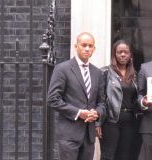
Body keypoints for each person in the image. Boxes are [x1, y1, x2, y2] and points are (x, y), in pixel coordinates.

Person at [47, 32, 106, 160]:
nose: (87, 49)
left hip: (89, 135)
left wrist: (97, 113)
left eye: (90, 46)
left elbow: (102, 102)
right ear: (76, 46)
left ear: (94, 49)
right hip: (69, 134)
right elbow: (53, 99)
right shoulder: (62, 69)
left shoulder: (97, 73)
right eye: (83, 45)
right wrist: (79, 113)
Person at [95, 40, 141, 160]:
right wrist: (97, 122)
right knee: (108, 156)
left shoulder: (135, 75)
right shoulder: (104, 72)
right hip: (110, 121)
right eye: (119, 52)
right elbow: (99, 98)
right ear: (114, 54)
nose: (123, 55)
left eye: (126, 52)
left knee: (125, 156)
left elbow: (137, 98)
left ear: (130, 55)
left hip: (130, 122)